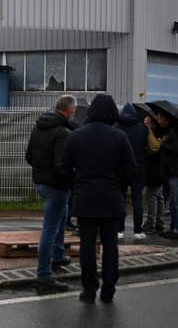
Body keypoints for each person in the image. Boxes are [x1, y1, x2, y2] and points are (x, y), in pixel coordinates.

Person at [60, 94, 135, 304]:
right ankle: (109, 287)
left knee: (87, 244)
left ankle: (89, 288)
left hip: (85, 198)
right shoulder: (119, 137)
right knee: (110, 244)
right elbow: (131, 170)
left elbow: (63, 168)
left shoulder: (76, 136)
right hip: (111, 197)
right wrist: (118, 185)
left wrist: (77, 184)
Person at [25, 94, 77, 291]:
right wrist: (69, 183)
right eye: (74, 111)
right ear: (70, 111)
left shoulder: (39, 127)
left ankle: (58, 256)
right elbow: (62, 166)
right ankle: (44, 275)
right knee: (50, 228)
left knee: (61, 218)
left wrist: (42, 171)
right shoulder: (63, 133)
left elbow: (29, 156)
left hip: (41, 182)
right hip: (56, 187)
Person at [116, 103, 148, 240]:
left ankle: (119, 229)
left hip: (121, 168)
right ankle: (138, 230)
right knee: (137, 199)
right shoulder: (143, 129)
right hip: (138, 167)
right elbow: (148, 147)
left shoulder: (117, 129)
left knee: (121, 198)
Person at [158, 111, 178, 240]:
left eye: (160, 118)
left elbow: (177, 150)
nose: (159, 121)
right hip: (172, 171)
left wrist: (163, 144)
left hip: (177, 171)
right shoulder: (170, 131)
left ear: (166, 119)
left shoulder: (174, 132)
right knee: (174, 203)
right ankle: (174, 227)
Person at [142, 115, 165, 234]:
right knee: (159, 196)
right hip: (160, 170)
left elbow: (150, 152)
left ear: (153, 124)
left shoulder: (152, 137)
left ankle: (151, 223)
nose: (145, 125)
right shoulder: (161, 136)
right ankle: (159, 222)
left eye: (147, 123)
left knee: (151, 196)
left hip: (154, 171)